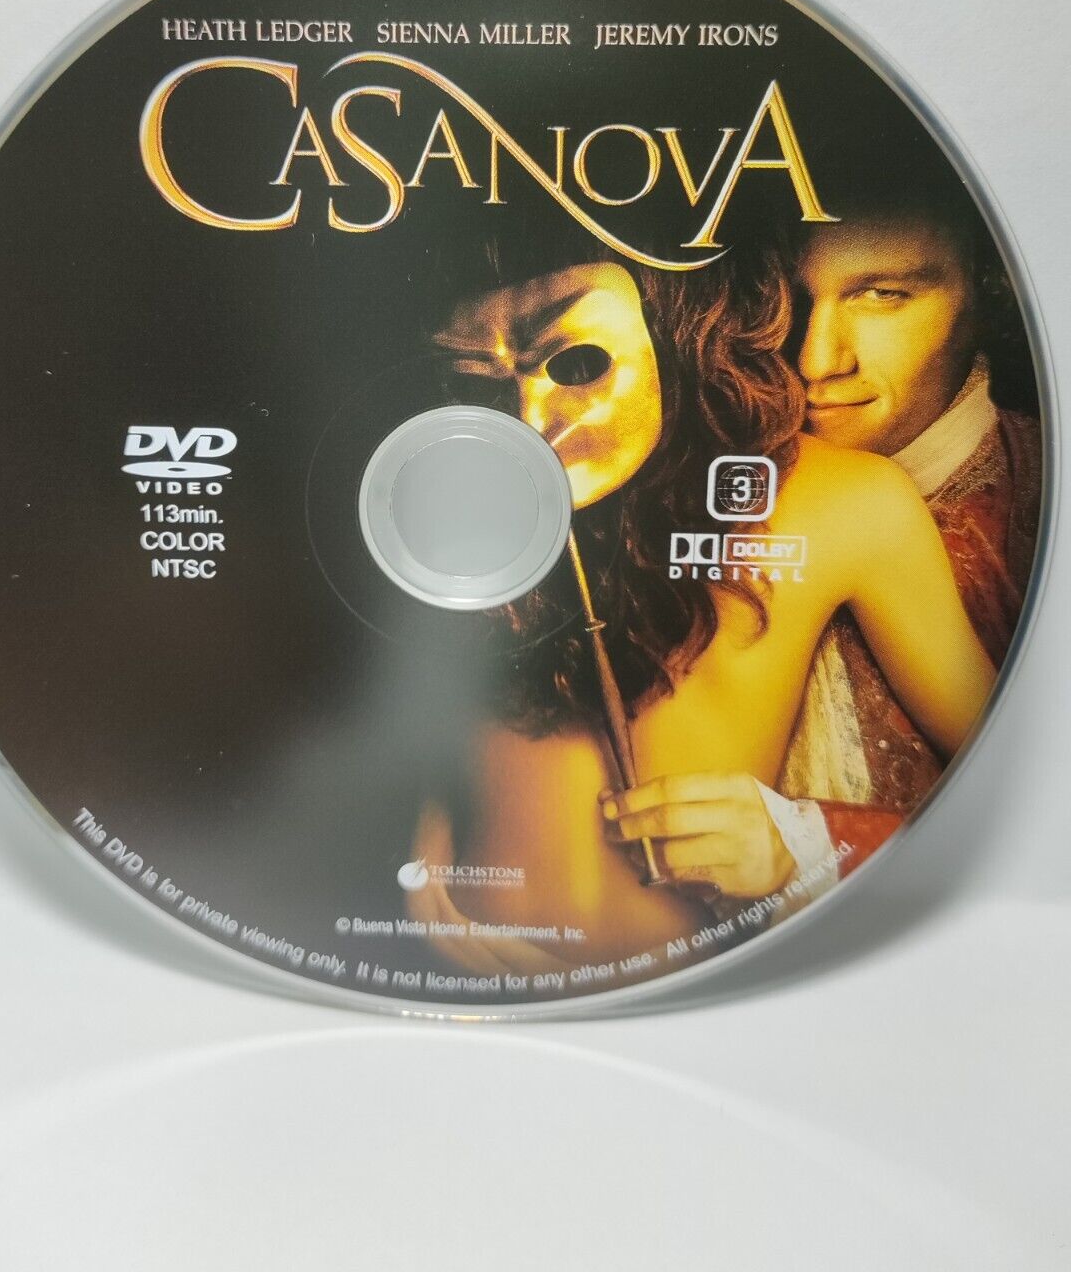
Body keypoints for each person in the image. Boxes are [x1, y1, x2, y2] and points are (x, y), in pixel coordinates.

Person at [404, 224, 997, 975]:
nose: (527, 423)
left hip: (701, 989)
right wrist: (422, 837)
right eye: (478, 383)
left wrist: (810, 847)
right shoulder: (448, 504)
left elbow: (1018, 786)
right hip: (452, 965)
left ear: (679, 329)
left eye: (576, 362)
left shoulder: (845, 502)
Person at [603, 191, 1042, 904]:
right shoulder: (674, 485)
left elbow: (1046, 818)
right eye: (786, 298)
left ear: (990, 290)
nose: (814, 360)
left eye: (883, 295)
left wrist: (818, 846)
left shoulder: (1045, 496)